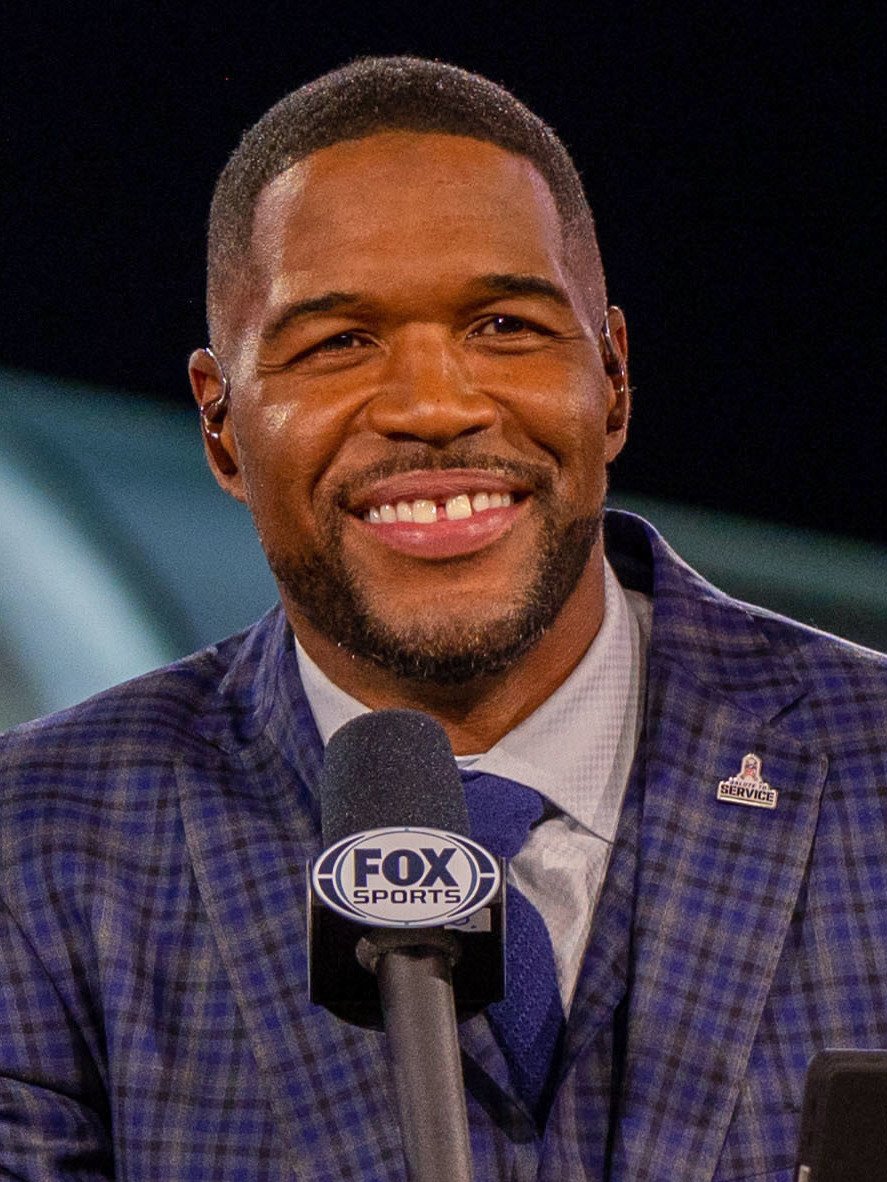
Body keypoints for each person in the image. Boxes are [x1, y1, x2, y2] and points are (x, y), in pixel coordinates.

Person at [1, 56, 885, 1182]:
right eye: (337, 343)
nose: (432, 406)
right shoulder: (32, 847)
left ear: (612, 379)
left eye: (504, 325)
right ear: (221, 427)